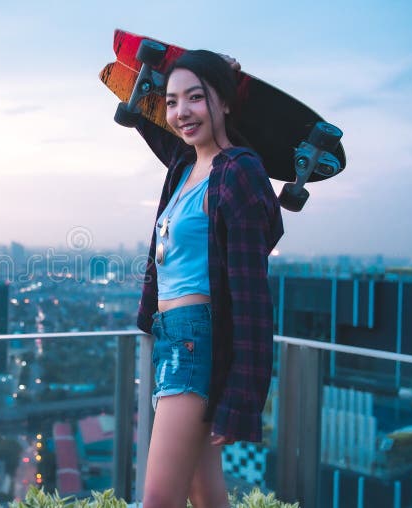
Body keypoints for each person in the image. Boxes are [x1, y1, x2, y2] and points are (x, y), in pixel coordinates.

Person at [134, 50, 284, 507]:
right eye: (173, 100)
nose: (181, 112)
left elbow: (253, 299)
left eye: (195, 98)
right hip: (170, 340)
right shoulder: (184, 168)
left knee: (159, 499)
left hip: (196, 344)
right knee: (205, 494)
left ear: (224, 102)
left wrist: (242, 397)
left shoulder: (240, 171)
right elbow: (139, 113)